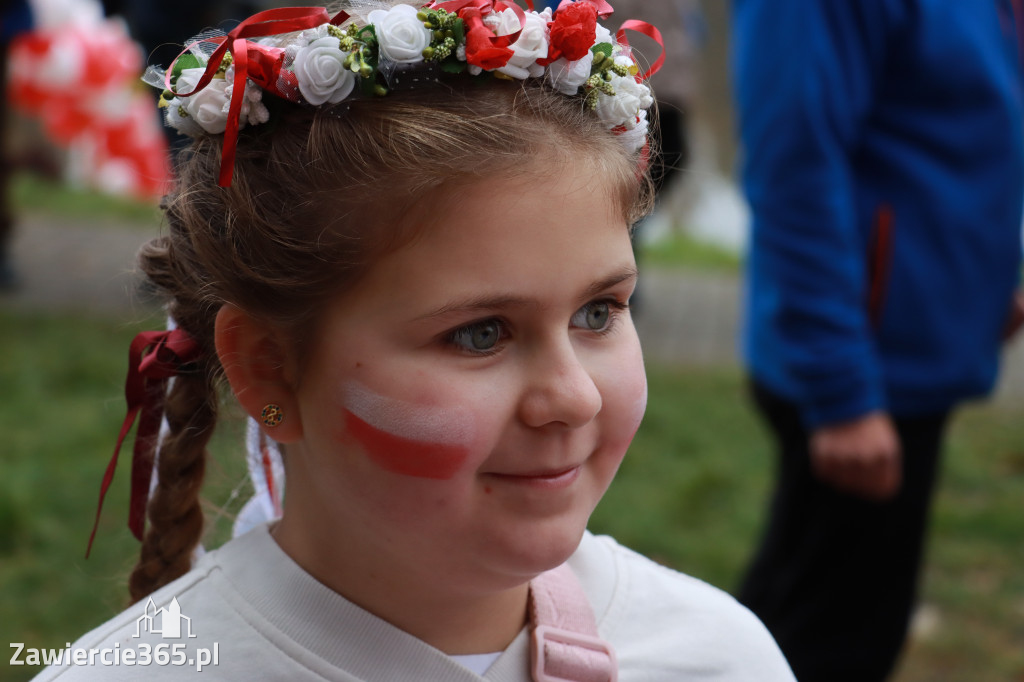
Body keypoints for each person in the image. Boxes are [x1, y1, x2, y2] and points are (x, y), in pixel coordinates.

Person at [34, 2, 795, 680]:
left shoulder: (717, 658)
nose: (575, 396)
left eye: (598, 313)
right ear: (270, 371)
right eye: (480, 334)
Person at [731, 1, 1024, 680]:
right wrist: (842, 393)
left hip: (907, 354)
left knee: (801, 623)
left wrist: (990, 278)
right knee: (829, 644)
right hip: (863, 377)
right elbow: (793, 165)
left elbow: (953, 118)